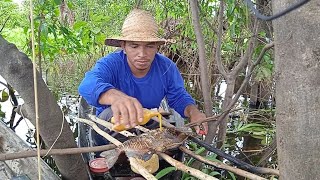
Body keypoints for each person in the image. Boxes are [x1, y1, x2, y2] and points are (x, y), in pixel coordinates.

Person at [78, 9, 208, 137]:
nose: (142, 54)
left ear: (157, 46)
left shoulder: (167, 67)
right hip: (112, 127)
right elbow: (86, 85)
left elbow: (179, 97)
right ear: (123, 46)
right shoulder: (111, 63)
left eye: (149, 46)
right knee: (113, 114)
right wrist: (115, 97)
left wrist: (193, 112)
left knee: (168, 138)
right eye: (134, 46)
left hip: (149, 124)